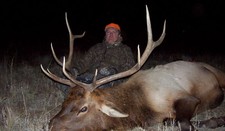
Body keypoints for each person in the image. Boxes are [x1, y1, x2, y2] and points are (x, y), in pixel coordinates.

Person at [72, 22, 135, 88]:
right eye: (108, 32)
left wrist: (114, 71)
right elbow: (84, 62)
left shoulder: (125, 49)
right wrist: (76, 70)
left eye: (114, 32)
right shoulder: (96, 47)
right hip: (90, 77)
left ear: (119, 35)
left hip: (110, 81)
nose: (111, 35)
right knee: (69, 83)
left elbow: (129, 67)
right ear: (105, 35)